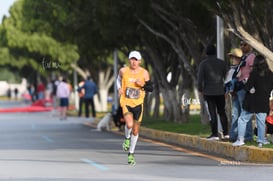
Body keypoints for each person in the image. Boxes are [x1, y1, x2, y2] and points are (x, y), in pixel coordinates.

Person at [116, 50, 153, 165]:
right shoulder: (123, 71)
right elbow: (118, 80)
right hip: (126, 102)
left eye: (136, 60)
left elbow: (151, 88)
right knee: (129, 125)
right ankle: (127, 138)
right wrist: (119, 88)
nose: (134, 62)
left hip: (138, 104)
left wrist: (143, 85)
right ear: (129, 60)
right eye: (132, 59)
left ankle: (131, 154)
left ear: (140, 61)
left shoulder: (144, 73)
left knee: (136, 131)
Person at [232, 55, 273, 147]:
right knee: (261, 122)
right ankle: (261, 141)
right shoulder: (270, 74)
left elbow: (247, 87)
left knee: (242, 119)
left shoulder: (254, 73)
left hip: (251, 101)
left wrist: (246, 85)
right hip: (263, 102)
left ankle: (240, 139)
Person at [197, 44, 229, 140]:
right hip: (220, 91)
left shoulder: (203, 64)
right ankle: (226, 133)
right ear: (215, 52)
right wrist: (226, 89)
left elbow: (200, 79)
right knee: (222, 112)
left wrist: (200, 90)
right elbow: (227, 77)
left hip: (208, 92)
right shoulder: (222, 63)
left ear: (206, 53)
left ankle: (214, 134)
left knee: (212, 113)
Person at [229, 41, 256, 142]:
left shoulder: (252, 56)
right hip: (237, 88)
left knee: (245, 113)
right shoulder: (243, 58)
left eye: (244, 44)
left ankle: (248, 136)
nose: (242, 46)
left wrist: (250, 87)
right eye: (240, 44)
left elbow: (252, 72)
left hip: (244, 88)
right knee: (235, 113)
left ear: (250, 45)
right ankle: (233, 135)